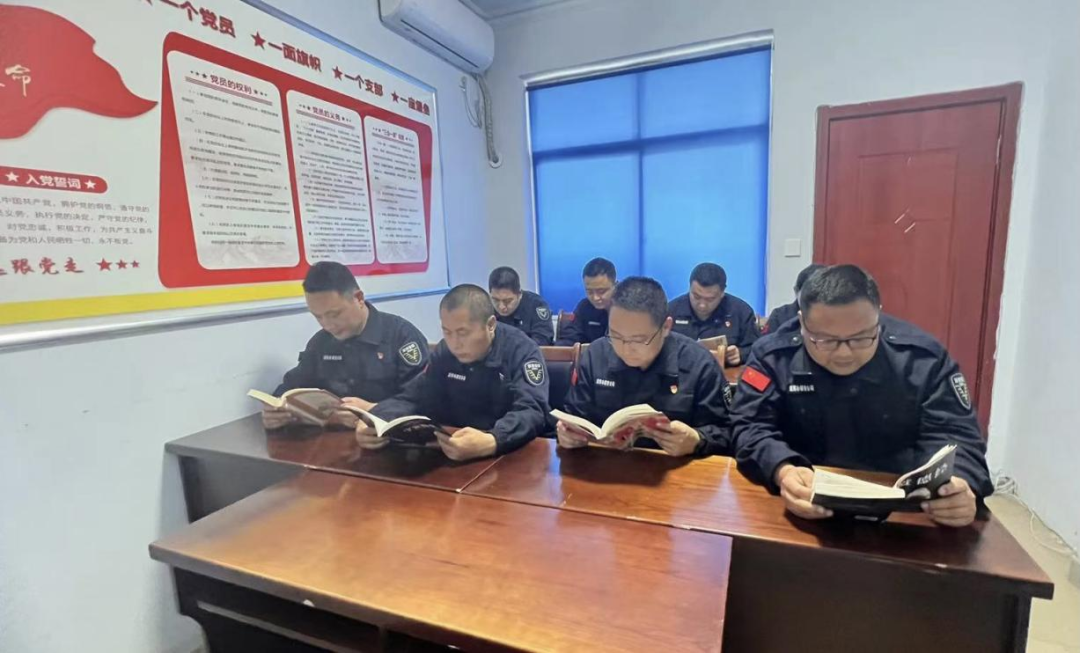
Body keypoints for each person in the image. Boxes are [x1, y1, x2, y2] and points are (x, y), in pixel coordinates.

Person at [730, 264, 992, 527]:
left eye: (860, 338)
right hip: (801, 500)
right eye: (826, 340)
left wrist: (959, 484)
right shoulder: (773, 357)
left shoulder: (922, 359)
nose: (844, 353)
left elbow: (957, 434)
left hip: (903, 511)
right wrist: (783, 469)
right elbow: (750, 426)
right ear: (802, 323)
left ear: (877, 317)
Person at [358, 284, 550, 461]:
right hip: (452, 449)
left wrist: (494, 439)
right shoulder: (445, 352)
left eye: (463, 333)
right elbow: (414, 395)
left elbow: (532, 410)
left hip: (509, 455)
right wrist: (377, 418)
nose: (455, 343)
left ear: (490, 325)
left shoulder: (521, 350)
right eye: (447, 332)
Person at [557, 277, 731, 456]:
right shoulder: (596, 355)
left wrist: (697, 440)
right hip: (608, 464)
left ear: (666, 327)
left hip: (675, 466)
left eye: (638, 340)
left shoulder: (700, 364)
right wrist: (566, 434)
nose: (625, 349)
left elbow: (726, 433)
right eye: (615, 335)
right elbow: (573, 415)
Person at [262, 261, 429, 430]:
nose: (327, 325)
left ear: (359, 298)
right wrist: (277, 408)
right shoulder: (321, 342)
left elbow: (421, 399)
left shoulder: (401, 336)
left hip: (388, 437)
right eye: (318, 316)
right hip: (333, 438)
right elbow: (294, 384)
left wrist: (375, 409)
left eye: (334, 314)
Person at [668, 263, 760, 366]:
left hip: (726, 373)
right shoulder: (671, 311)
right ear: (689, 288)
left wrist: (741, 354)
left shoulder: (741, 312)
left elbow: (758, 350)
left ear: (722, 292)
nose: (702, 305)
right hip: (681, 372)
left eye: (710, 299)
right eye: (696, 297)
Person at [555, 257, 616, 345]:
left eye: (601, 291)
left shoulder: (627, 308)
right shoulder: (584, 307)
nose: (595, 298)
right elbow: (569, 338)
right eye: (589, 292)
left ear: (615, 285)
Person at [488, 266, 554, 346]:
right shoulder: (485, 306)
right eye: (496, 300)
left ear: (519, 294)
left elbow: (542, 340)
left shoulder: (536, 304)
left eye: (507, 301)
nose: (501, 307)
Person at [764, 263, 825, 333]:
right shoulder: (780, 316)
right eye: (811, 294)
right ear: (796, 291)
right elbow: (767, 339)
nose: (817, 299)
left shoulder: (833, 315)